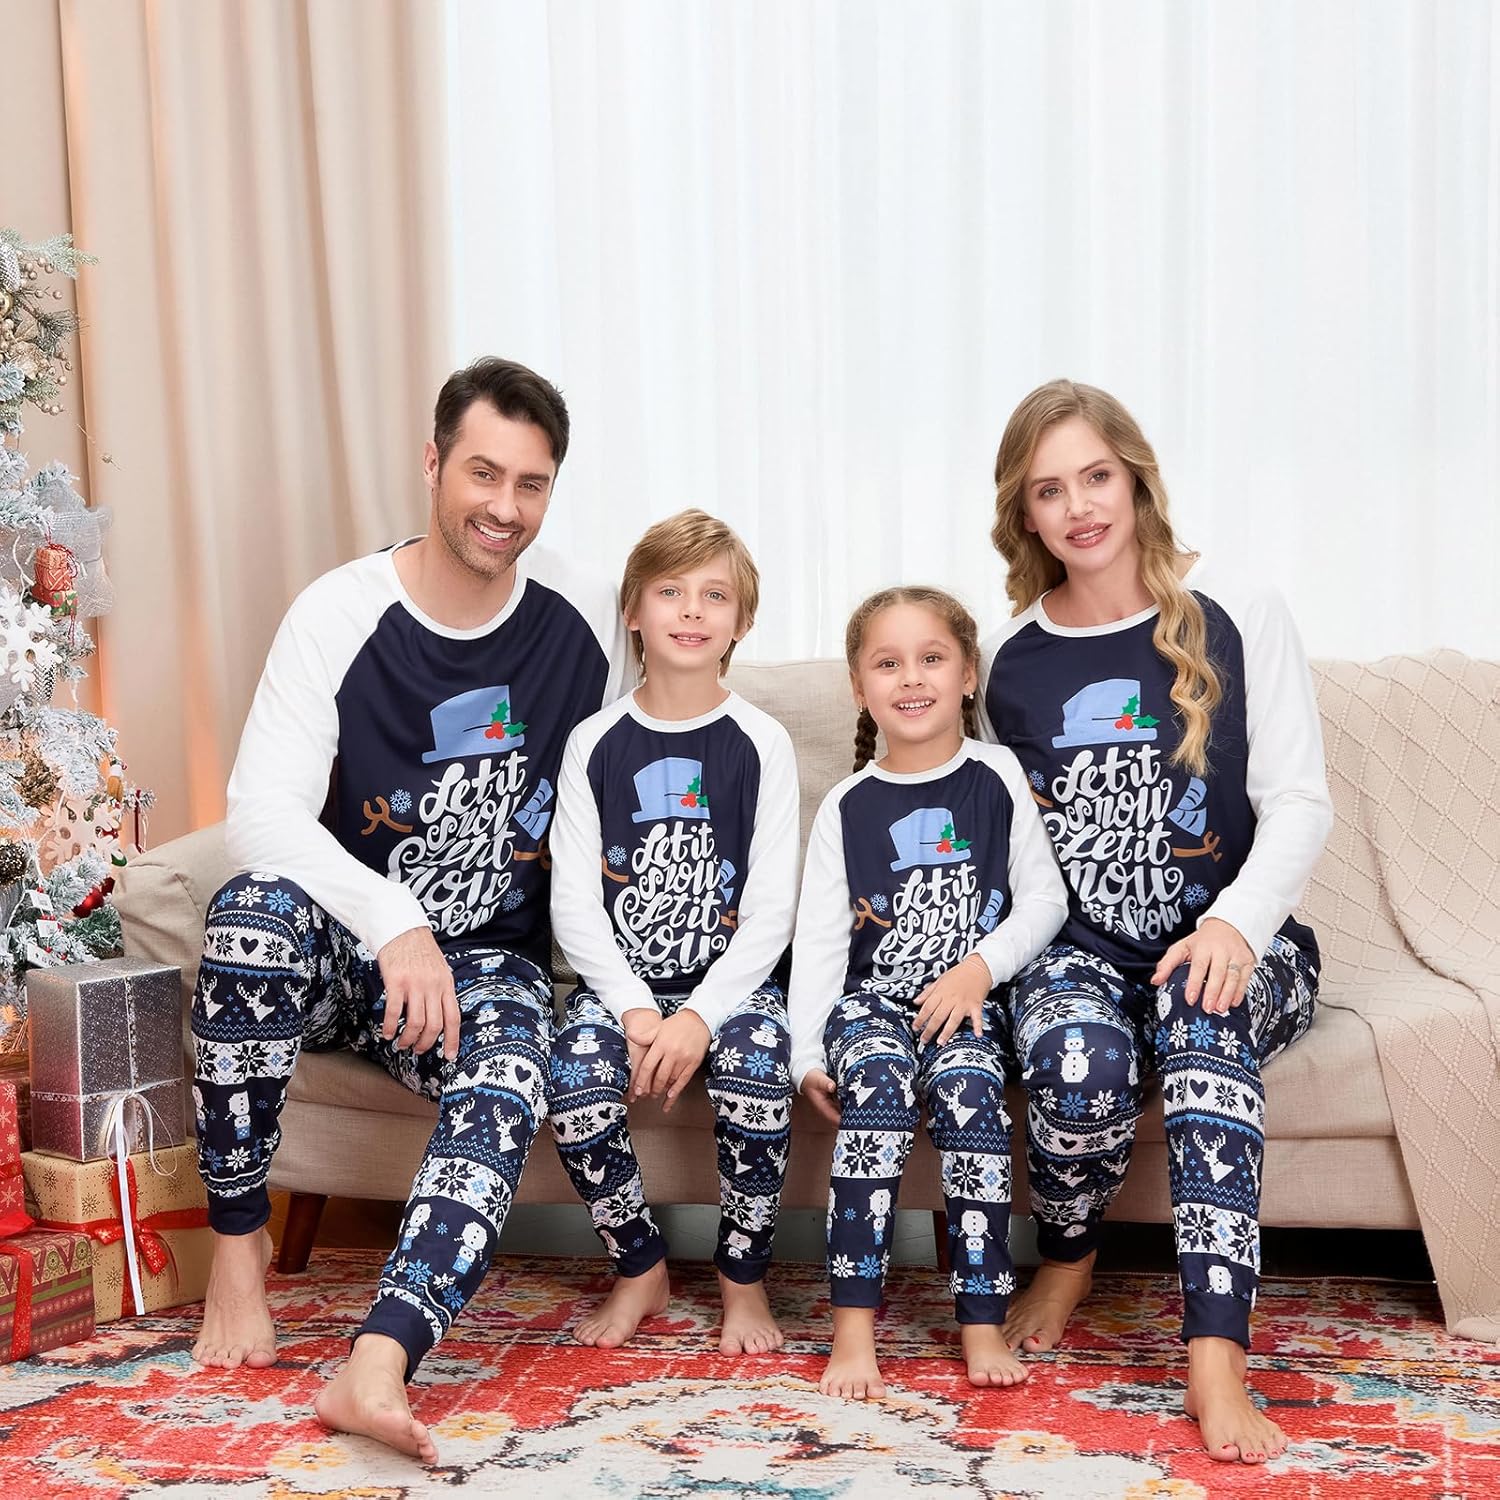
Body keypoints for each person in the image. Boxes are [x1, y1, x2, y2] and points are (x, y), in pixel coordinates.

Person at [187, 356, 628, 1464]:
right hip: (351, 951)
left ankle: (380, 1360)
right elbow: (260, 815)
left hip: (487, 970)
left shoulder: (582, 616)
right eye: (483, 472)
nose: (504, 506)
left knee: (516, 1067)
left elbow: (647, 756)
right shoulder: (338, 612)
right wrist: (392, 919)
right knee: (249, 914)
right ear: (432, 463)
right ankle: (239, 1248)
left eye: (531, 483)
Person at [980, 379, 1333, 1464]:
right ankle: (1070, 1257)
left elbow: (1300, 801)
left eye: (1097, 476)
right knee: (1076, 1060)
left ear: (1136, 479)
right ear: (1025, 512)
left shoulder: (1240, 609)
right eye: (1050, 489)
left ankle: (1215, 1357)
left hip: (1233, 941)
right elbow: (1015, 854)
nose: (1080, 507)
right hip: (1080, 955)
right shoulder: (1012, 661)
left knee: (1197, 1011)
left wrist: (1235, 926)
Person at [789, 586, 1067, 1399]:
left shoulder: (996, 776)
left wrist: (980, 966)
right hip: (872, 1006)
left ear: (968, 673)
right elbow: (820, 943)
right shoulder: (847, 805)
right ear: (859, 687)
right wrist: (806, 1055)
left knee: (974, 1096)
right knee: (876, 1093)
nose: (911, 677)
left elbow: (1045, 899)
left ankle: (980, 1319)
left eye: (932, 658)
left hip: (964, 1003)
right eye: (888, 663)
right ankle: (852, 1326)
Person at [547, 509, 799, 1355]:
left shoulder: (762, 742)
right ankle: (638, 1267)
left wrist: (698, 1016)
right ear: (633, 611)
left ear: (741, 621)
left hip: (733, 988)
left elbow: (771, 910)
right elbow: (574, 905)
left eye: (714, 596)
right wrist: (633, 1008)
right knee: (573, 1082)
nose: (692, 611)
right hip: (623, 987)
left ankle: (743, 1279)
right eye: (670, 591)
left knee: (758, 1075)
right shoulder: (593, 743)